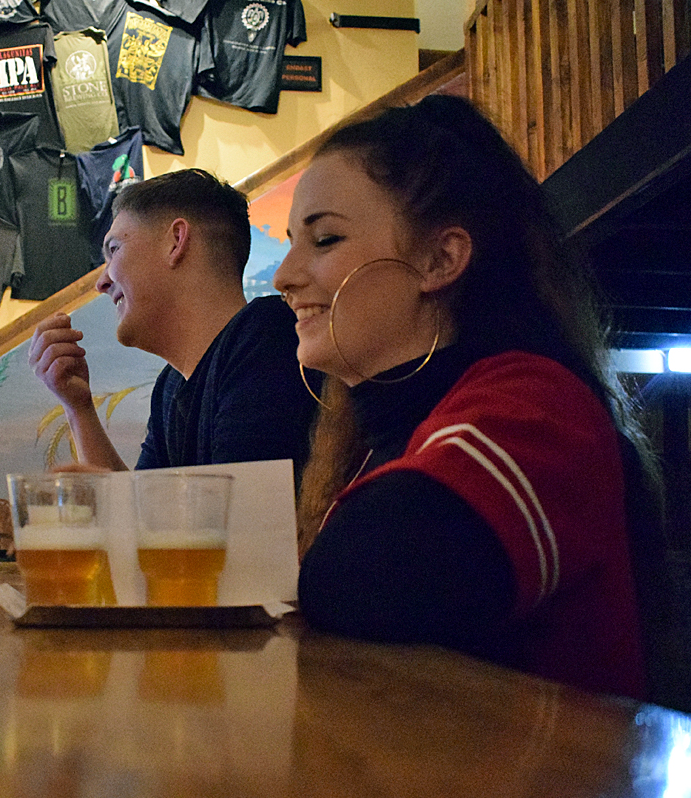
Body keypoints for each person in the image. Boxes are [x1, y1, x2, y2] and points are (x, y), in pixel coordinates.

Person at [273, 94, 663, 700]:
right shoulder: (378, 436)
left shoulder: (537, 404)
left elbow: (372, 573)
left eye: (324, 239)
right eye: (292, 241)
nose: (284, 276)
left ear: (440, 259)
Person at [28, 168, 318, 472]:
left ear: (176, 241)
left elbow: (239, 503)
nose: (101, 283)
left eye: (114, 249)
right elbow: (140, 501)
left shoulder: (266, 336)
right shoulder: (171, 386)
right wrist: (78, 407)